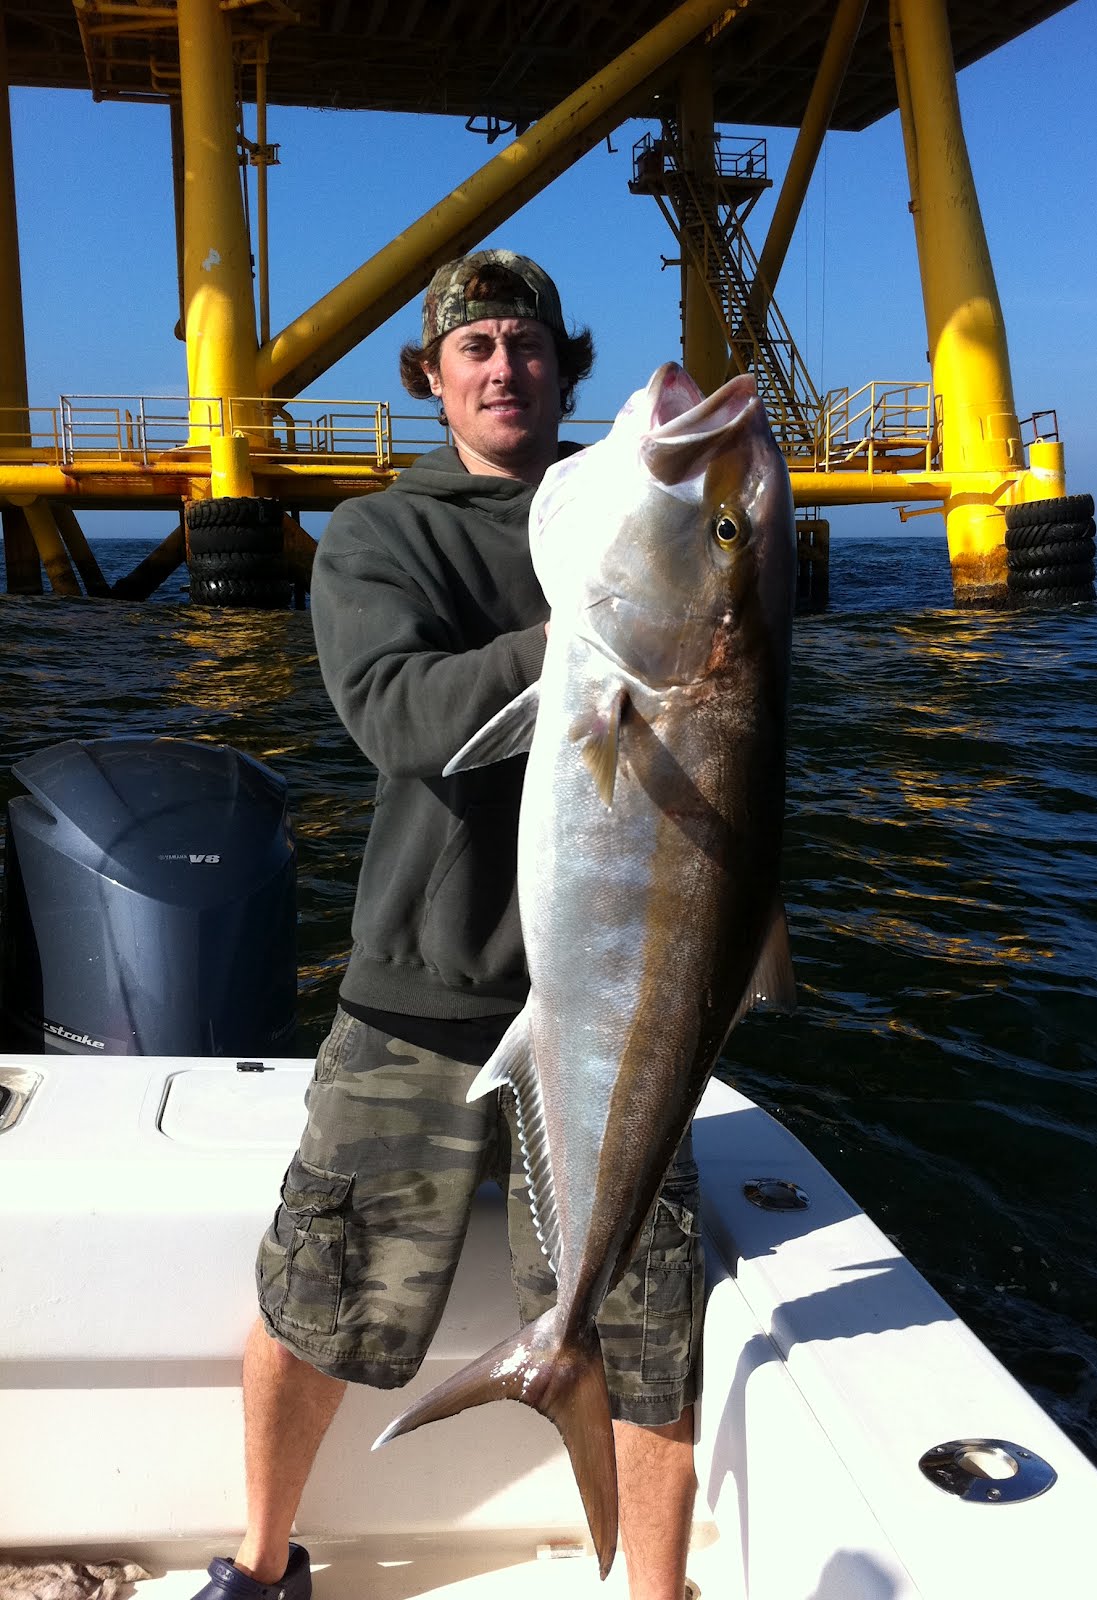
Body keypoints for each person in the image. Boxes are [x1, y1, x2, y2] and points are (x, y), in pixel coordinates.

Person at [191, 250, 704, 1600]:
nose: (502, 367)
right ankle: (259, 1564)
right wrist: (600, 634)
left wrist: (660, 609)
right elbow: (402, 718)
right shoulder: (378, 535)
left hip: (615, 1011)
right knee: (318, 1293)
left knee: (647, 1326)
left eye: (527, 344)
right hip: (417, 994)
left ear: (564, 369)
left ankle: (657, 1591)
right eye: (473, 347)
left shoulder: (634, 518)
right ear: (432, 377)